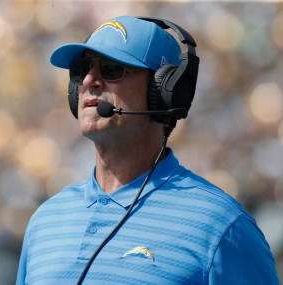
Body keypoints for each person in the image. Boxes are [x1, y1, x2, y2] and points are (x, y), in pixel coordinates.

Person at [16, 15, 280, 285]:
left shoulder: (221, 226)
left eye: (111, 68)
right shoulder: (45, 221)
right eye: (82, 69)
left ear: (165, 90)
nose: (88, 81)